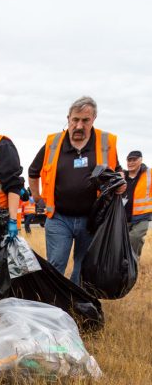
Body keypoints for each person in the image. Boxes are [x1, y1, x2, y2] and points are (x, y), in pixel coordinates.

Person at [28, 96, 125, 284]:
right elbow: (33, 172)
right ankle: (54, 305)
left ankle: (76, 304)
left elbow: (117, 170)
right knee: (56, 264)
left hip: (92, 219)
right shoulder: (53, 143)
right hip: (58, 218)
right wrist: (38, 198)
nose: (79, 126)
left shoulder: (106, 142)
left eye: (85, 120)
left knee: (83, 266)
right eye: (75, 120)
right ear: (68, 119)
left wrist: (120, 180)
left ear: (94, 120)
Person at [124, 150, 151, 259]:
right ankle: (134, 261)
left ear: (141, 160)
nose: (131, 163)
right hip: (124, 216)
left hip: (142, 215)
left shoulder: (149, 174)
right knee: (130, 240)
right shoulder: (122, 175)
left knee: (134, 237)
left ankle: (131, 262)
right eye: (129, 160)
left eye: (134, 160)